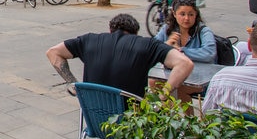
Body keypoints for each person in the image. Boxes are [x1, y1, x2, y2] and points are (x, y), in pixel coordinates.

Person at [46, 13, 194, 99]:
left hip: (96, 122)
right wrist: (162, 96)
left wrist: (74, 84)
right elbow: (185, 64)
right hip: (131, 124)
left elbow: (53, 52)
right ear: (135, 33)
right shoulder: (147, 44)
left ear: (110, 30)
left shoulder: (89, 40)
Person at [151, 0, 215, 103]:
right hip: (173, 73)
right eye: (182, 14)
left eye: (191, 14)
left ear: (196, 15)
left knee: (179, 87)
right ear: (174, 14)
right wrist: (166, 45)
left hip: (201, 78)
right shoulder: (168, 29)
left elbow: (209, 53)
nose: (186, 18)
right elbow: (153, 47)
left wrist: (181, 51)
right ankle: (164, 115)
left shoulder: (203, 31)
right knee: (154, 81)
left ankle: (188, 118)